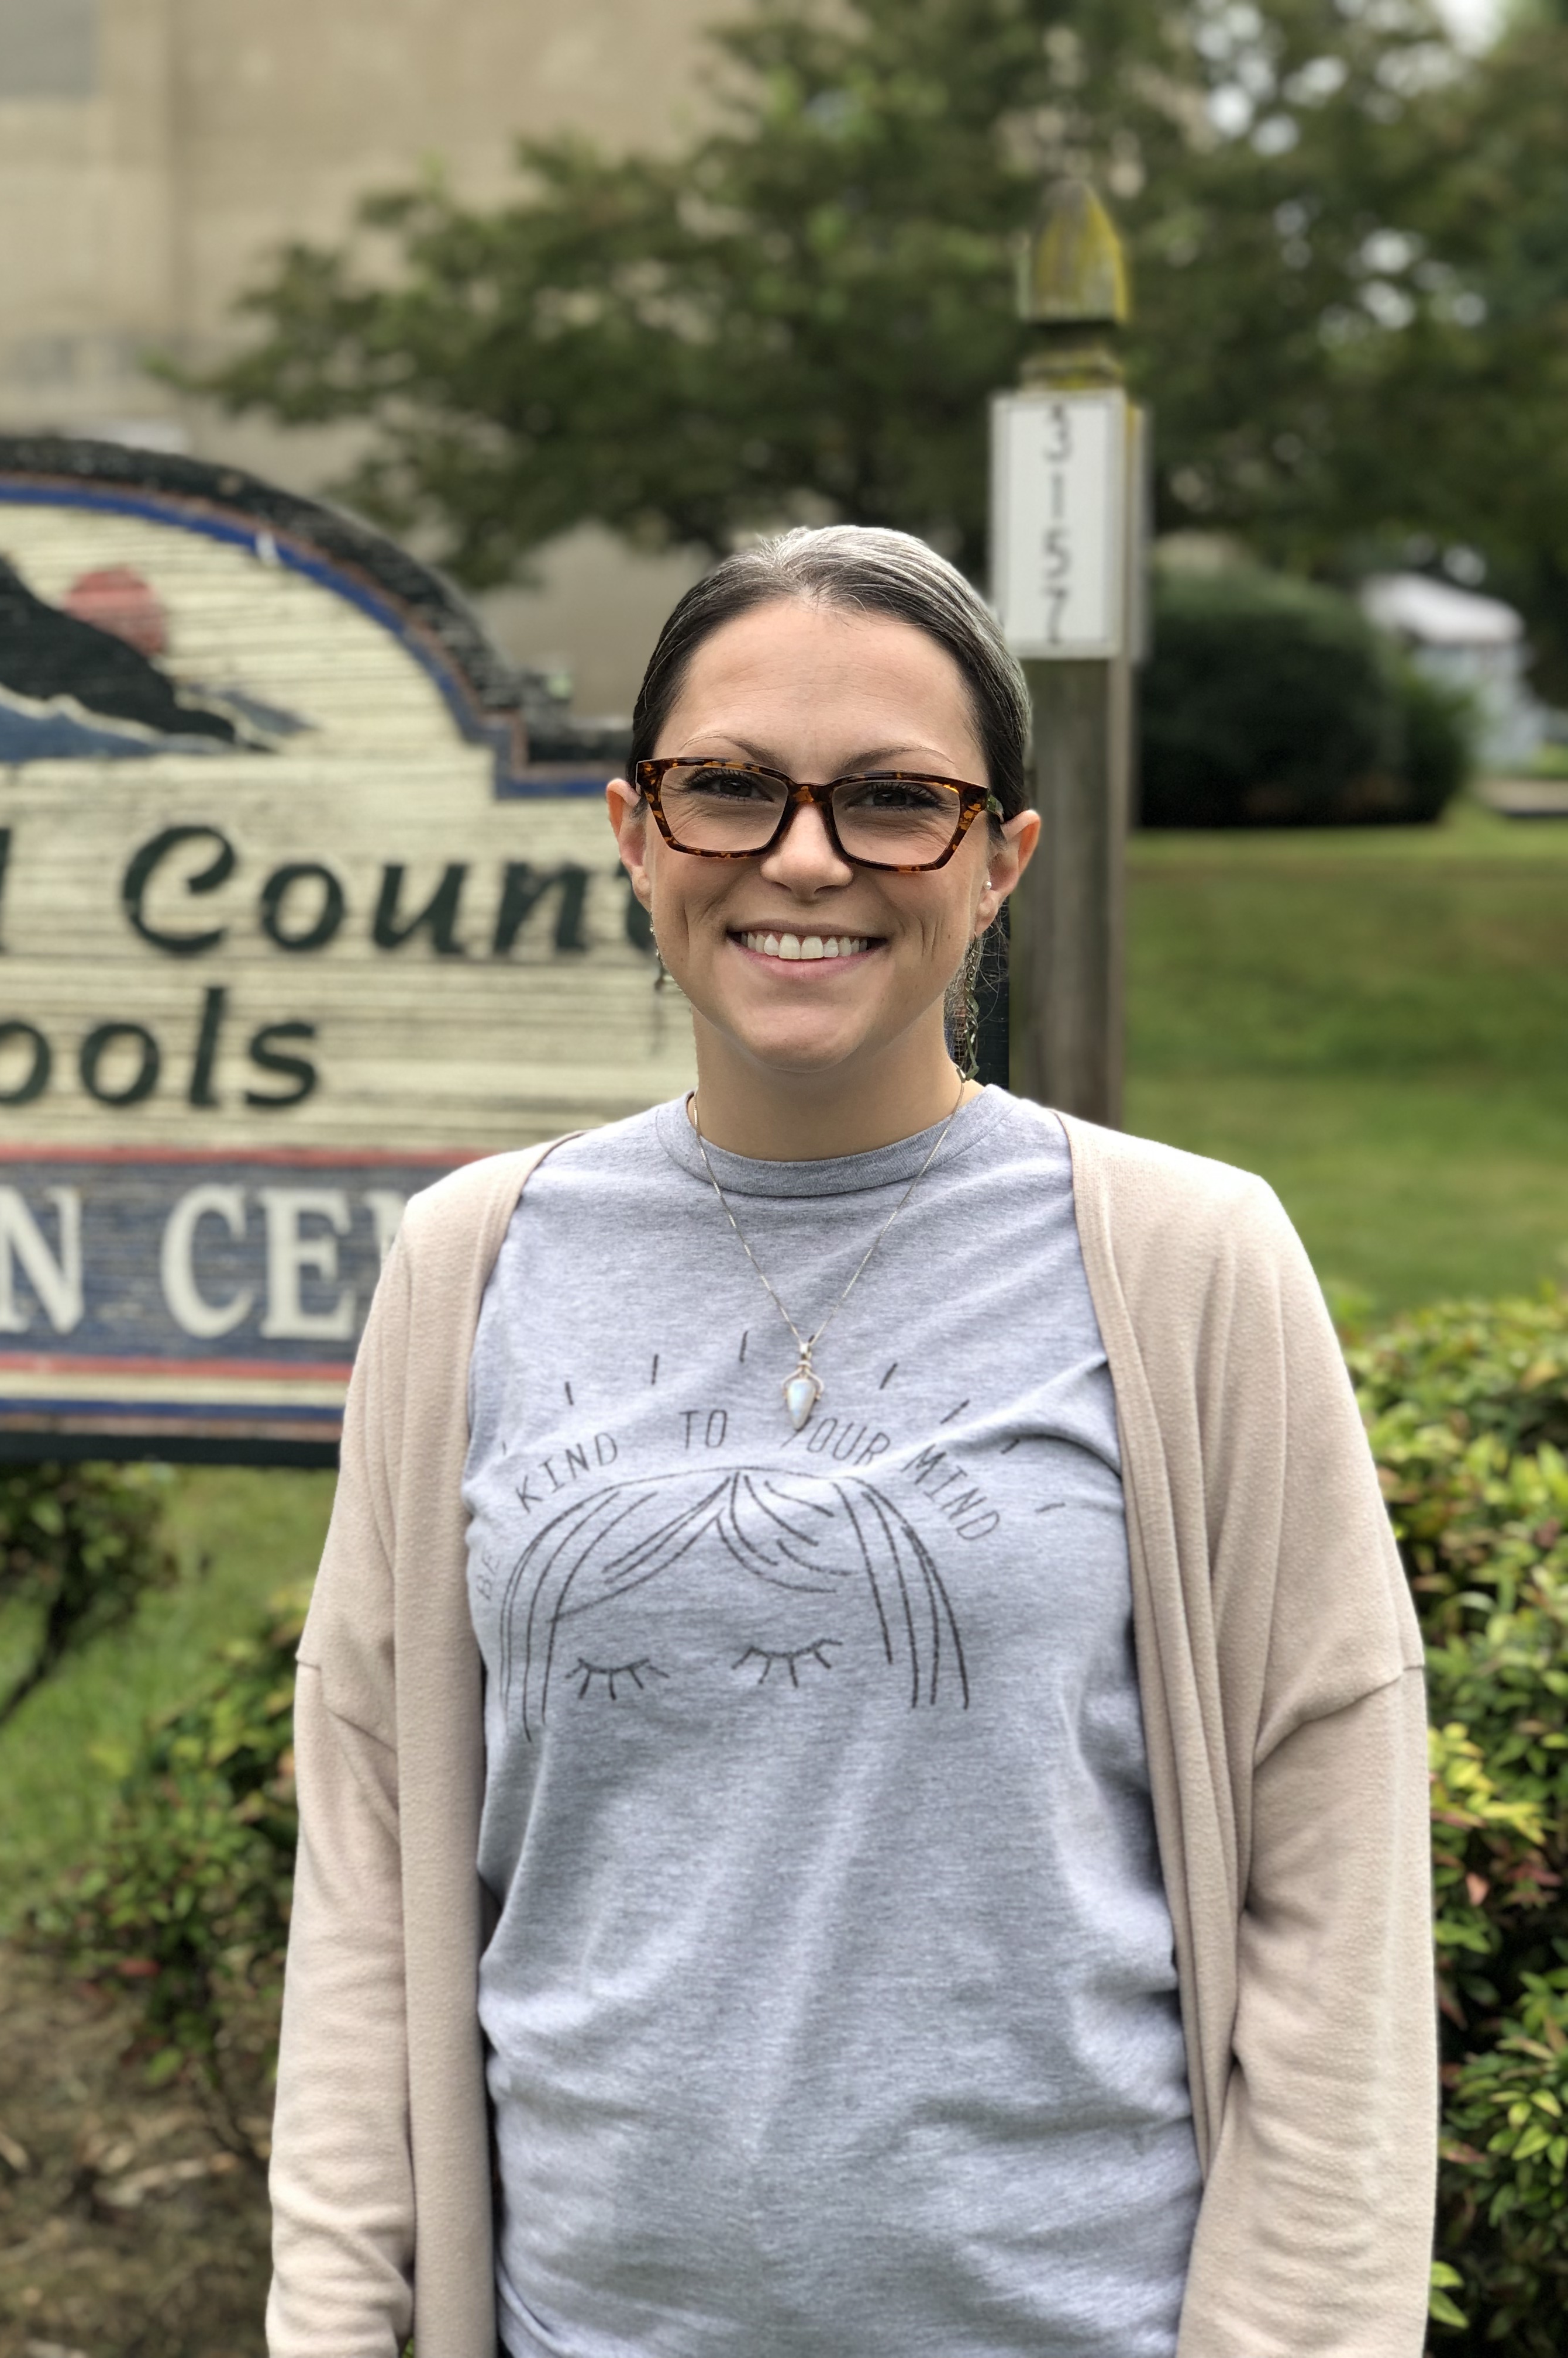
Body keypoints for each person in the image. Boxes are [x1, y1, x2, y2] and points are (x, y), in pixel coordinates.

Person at [266, 526, 1435, 2358]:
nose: (804, 857)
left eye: (895, 800)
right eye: (731, 787)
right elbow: (369, 1872)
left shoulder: (1188, 1259)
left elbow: (1333, 1878)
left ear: (1000, 860)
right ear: (636, 828)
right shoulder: (471, 1263)